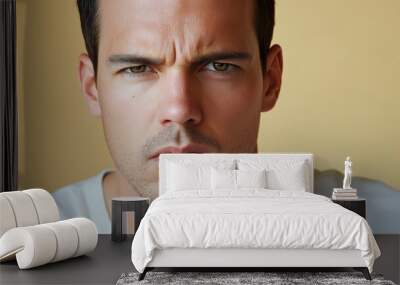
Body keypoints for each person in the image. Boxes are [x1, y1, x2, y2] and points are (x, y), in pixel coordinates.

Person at [52, 0, 282, 233]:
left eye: (219, 66)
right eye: (137, 69)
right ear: (92, 88)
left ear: (270, 82)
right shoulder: (29, 237)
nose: (179, 110)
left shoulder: (321, 221)